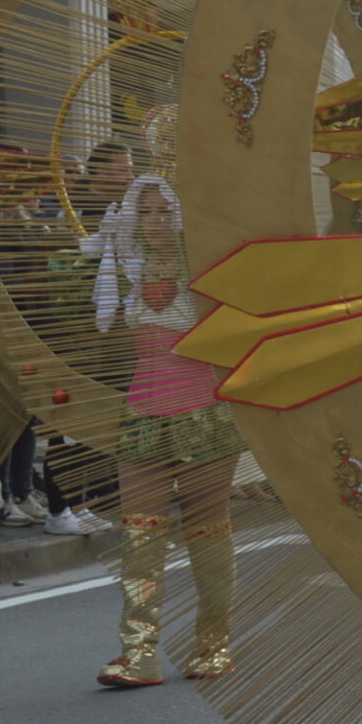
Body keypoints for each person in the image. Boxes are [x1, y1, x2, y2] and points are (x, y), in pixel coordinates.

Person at [88, 127, 242, 688]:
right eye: (146, 209)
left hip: (204, 409)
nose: (155, 219)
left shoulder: (210, 272)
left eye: (165, 210)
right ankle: (138, 651)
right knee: (140, 531)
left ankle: (213, 644)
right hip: (142, 410)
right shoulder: (121, 272)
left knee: (206, 527)